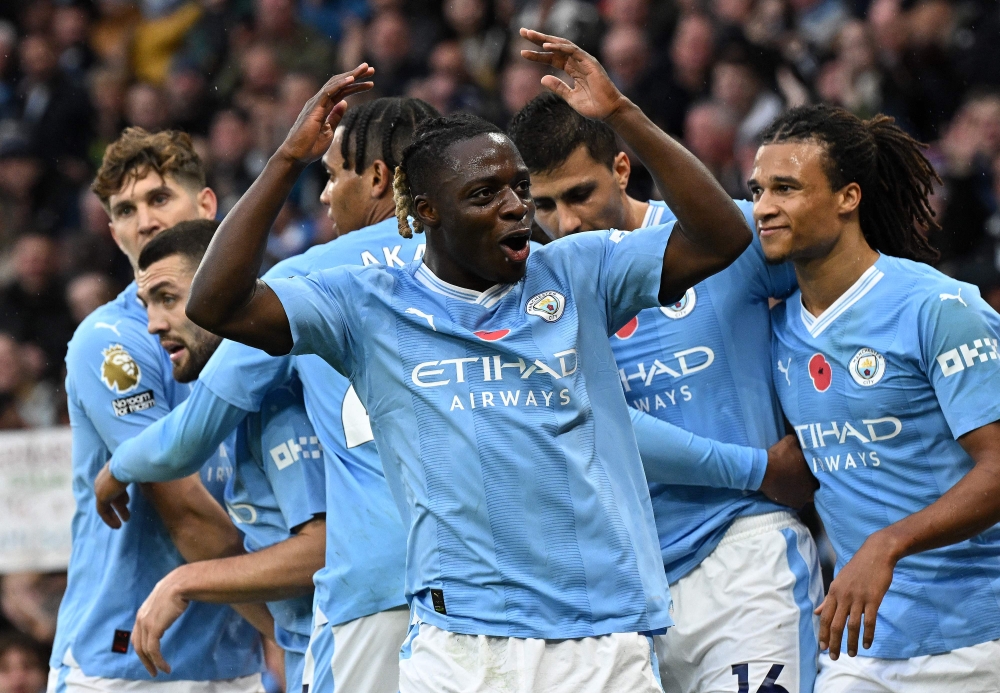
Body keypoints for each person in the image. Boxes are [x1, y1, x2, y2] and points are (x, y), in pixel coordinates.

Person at [179, 28, 752, 689]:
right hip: (459, 645)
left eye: (517, 187)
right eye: (484, 195)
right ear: (426, 211)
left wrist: (624, 117)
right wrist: (285, 160)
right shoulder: (368, 302)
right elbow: (215, 305)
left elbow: (722, 236)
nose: (514, 208)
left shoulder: (578, 271)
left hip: (598, 638)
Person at [96, 97, 439, 693]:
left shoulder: (311, 279)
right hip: (502, 575)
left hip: (380, 582)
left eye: (332, 177)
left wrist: (118, 466)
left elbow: (191, 434)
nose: (326, 197)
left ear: (379, 179)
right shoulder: (489, 265)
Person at [508, 91, 823, 693]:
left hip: (744, 557)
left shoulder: (725, 239)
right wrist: (757, 467)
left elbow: (840, 283)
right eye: (544, 205)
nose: (566, 223)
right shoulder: (540, 297)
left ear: (622, 169)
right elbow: (602, 423)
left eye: (580, 194)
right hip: (623, 587)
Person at [752, 104, 1000, 692]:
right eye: (757, 189)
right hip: (862, 644)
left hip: (979, 636)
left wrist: (888, 544)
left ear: (848, 197)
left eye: (786, 188)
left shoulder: (938, 309)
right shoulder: (777, 328)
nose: (763, 207)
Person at [50, 127, 267, 693]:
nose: (144, 220)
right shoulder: (111, 341)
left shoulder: (265, 325)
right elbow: (184, 509)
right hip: (127, 664)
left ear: (206, 204)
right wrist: (284, 629)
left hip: (233, 657)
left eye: (158, 197)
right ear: (112, 229)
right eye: (124, 209)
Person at [116, 220, 325, 693]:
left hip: (345, 649)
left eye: (168, 298)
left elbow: (323, 551)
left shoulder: (279, 401)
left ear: (220, 289)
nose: (153, 323)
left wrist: (184, 581)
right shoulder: (246, 402)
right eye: (146, 305)